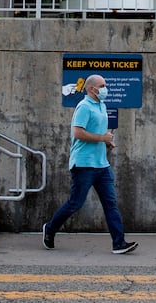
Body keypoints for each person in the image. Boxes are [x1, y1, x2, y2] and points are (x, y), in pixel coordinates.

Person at [42, 73, 137, 254]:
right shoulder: (84, 107)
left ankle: (119, 243)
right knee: (75, 203)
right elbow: (77, 132)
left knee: (111, 204)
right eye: (102, 86)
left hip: (102, 164)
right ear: (92, 89)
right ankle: (50, 228)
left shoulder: (101, 105)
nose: (105, 88)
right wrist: (102, 137)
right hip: (84, 164)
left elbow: (97, 132)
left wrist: (107, 142)